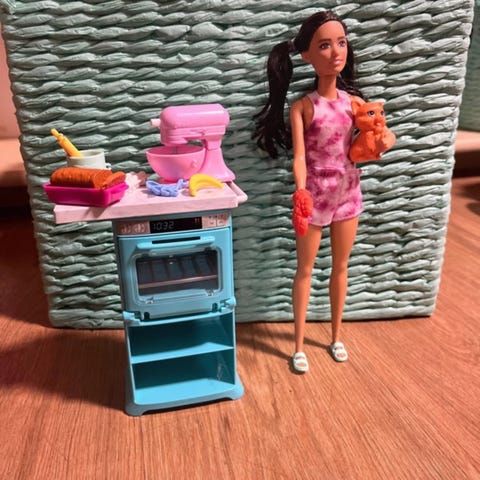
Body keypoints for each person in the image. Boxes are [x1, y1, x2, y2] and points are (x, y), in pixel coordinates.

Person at [253, 11, 394, 373]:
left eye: (341, 43)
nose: (336, 53)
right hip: (314, 195)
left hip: (348, 191)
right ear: (306, 55)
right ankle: (299, 345)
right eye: (325, 45)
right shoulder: (303, 107)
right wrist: (300, 192)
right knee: (305, 269)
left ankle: (335, 336)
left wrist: (382, 139)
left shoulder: (354, 103)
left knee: (341, 267)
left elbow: (372, 139)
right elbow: (299, 157)